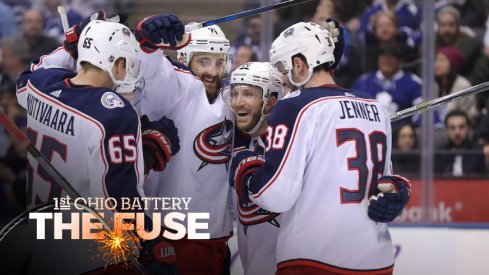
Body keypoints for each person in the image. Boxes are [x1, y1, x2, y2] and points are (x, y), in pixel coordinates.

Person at [230, 21, 411, 274]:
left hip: (315, 258)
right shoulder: (376, 107)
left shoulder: (294, 106)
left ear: (299, 64)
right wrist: (400, 189)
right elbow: (386, 184)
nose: (282, 78)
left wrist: (246, 169)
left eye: (283, 67)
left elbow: (274, 195)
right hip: (377, 260)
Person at [14, 18, 180, 273]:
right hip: (94, 256)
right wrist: (151, 239)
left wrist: (68, 45)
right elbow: (117, 198)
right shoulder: (114, 112)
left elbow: (24, 81)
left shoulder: (41, 85)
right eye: (129, 61)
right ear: (118, 63)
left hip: (43, 247)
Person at [134, 14, 235, 275]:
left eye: (219, 61)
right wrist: (148, 45)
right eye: (204, 61)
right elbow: (154, 74)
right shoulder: (180, 87)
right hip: (172, 236)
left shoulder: (232, 96)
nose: (213, 71)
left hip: (217, 237)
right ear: (183, 59)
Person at [228, 62, 283, 275]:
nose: (238, 102)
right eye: (235, 94)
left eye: (248, 94)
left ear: (269, 102)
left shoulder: (289, 147)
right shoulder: (240, 143)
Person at [435, 109, 486, 177]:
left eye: (461, 127)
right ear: (446, 131)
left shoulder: (479, 153)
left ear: (468, 129)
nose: (457, 132)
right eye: (452, 128)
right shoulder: (439, 154)